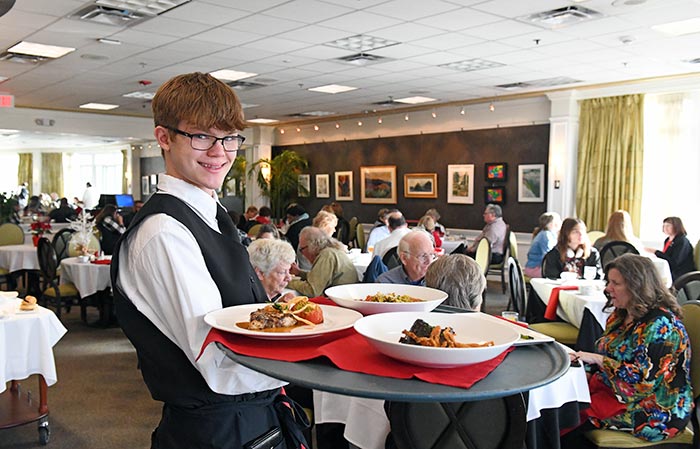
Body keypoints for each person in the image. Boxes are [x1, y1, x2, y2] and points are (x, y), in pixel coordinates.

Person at [111, 72, 307, 449]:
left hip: (251, 419)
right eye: (201, 136)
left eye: (230, 137)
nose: (220, 151)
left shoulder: (210, 213)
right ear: (164, 137)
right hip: (217, 431)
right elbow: (218, 363)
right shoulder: (165, 233)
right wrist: (318, 356)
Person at [566, 254, 692, 445]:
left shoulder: (661, 326)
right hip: (618, 393)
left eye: (616, 283)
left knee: (566, 418)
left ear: (637, 286)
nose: (608, 288)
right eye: (609, 282)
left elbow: (643, 382)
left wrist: (599, 361)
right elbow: (605, 353)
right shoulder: (622, 314)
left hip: (653, 409)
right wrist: (581, 369)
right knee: (561, 403)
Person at [288, 226, 358, 297]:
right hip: (346, 296)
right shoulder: (332, 250)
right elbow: (319, 277)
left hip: (340, 301)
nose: (302, 254)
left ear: (312, 246)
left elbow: (312, 291)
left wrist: (286, 282)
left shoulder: (326, 255)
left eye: (302, 249)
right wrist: (299, 272)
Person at [645, 216, 695, 281]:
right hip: (670, 270)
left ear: (676, 226)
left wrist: (656, 252)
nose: (665, 228)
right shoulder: (667, 240)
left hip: (680, 273)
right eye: (664, 225)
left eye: (668, 226)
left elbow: (674, 262)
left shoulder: (682, 241)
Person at [524, 212, 561, 278]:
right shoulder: (546, 236)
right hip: (535, 268)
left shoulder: (548, 234)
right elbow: (549, 256)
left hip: (536, 267)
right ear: (551, 224)